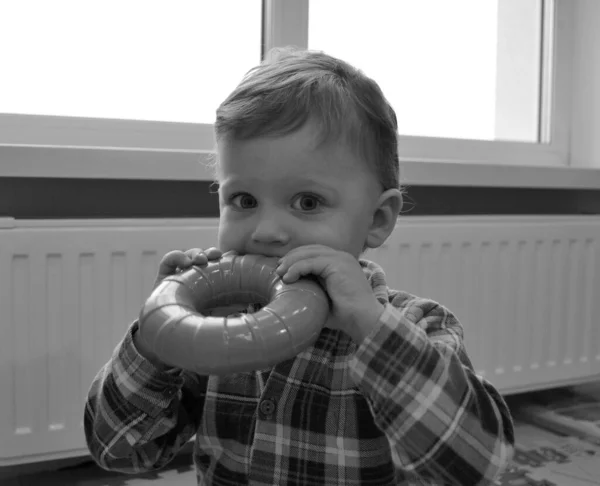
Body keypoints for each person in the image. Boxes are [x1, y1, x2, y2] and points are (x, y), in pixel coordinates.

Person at [84, 48, 514, 485]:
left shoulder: (418, 327)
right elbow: (118, 451)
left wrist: (371, 325)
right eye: (244, 201)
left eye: (308, 202)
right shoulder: (214, 330)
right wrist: (157, 343)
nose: (267, 231)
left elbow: (480, 466)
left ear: (378, 219)